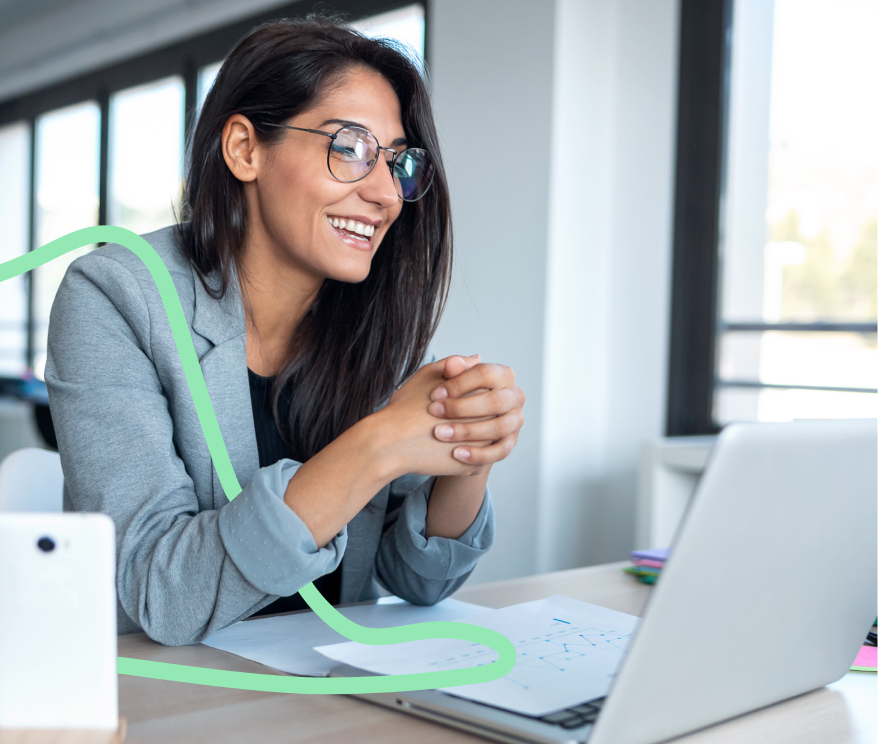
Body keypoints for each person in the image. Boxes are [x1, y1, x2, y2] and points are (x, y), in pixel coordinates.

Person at [44, 16, 525, 646]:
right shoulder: (115, 295)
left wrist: (467, 448)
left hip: (324, 695)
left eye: (399, 162)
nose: (386, 194)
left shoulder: (371, 324)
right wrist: (379, 444)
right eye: (349, 147)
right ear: (245, 149)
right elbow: (158, 593)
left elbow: (416, 579)